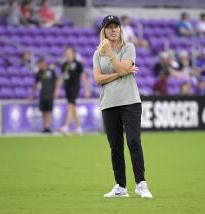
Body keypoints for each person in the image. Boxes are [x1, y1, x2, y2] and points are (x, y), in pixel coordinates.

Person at [93, 15, 153, 198]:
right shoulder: (97, 54)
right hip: (108, 103)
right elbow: (98, 79)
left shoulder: (129, 48)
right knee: (115, 146)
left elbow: (120, 68)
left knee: (134, 141)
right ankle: (120, 186)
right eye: (109, 26)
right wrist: (121, 73)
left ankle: (141, 184)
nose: (113, 29)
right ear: (104, 30)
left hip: (130, 101)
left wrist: (111, 56)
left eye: (116, 26)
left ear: (120, 29)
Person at [55, 46, 90, 135]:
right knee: (72, 107)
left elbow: (83, 77)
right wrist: (57, 89)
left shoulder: (78, 64)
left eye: (69, 53)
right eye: (66, 53)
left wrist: (86, 89)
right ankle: (78, 127)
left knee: (70, 105)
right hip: (67, 87)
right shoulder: (64, 65)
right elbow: (61, 77)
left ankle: (66, 126)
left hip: (75, 87)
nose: (68, 55)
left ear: (73, 54)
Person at [29, 58, 57, 133]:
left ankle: (48, 126)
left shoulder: (51, 71)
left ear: (44, 63)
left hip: (50, 95)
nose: (39, 66)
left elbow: (55, 82)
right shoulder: (39, 73)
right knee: (43, 111)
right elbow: (35, 84)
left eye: (40, 64)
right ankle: (45, 127)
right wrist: (31, 94)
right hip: (42, 95)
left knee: (49, 111)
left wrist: (55, 92)